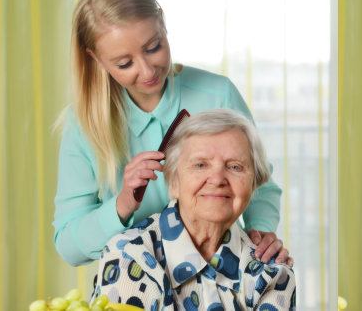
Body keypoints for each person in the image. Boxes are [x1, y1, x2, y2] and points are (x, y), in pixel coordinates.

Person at [53, 0, 290, 267]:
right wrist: (123, 202)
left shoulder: (218, 94)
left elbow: (260, 184)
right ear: (96, 60)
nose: (147, 70)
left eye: (153, 47)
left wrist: (261, 231)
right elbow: (69, 246)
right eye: (124, 63)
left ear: (163, 23)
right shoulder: (82, 126)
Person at [90, 109, 296, 310]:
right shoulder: (128, 256)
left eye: (235, 167)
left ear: (253, 185)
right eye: (200, 165)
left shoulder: (272, 272)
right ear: (173, 183)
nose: (217, 179)